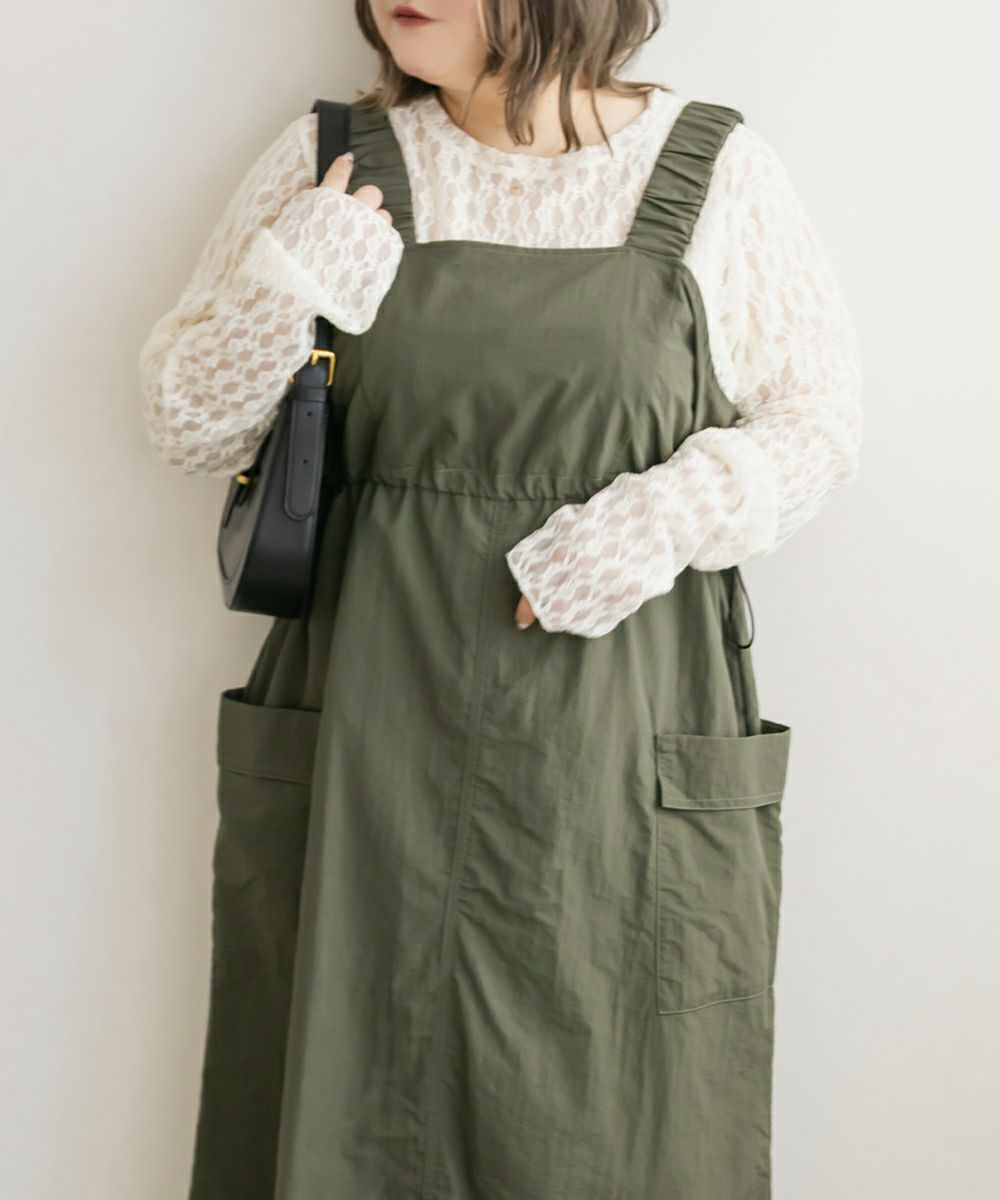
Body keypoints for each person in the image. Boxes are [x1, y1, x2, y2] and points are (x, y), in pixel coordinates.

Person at [138, 2, 863, 1197]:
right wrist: (293, 275)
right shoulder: (331, 157)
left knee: (610, 1120)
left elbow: (817, 422)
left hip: (616, 736)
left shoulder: (717, 169)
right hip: (372, 720)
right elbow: (187, 425)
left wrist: (658, 518)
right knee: (353, 1112)